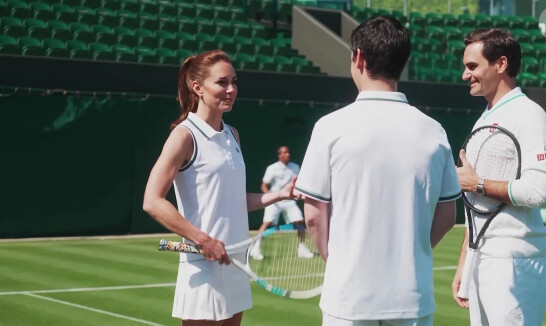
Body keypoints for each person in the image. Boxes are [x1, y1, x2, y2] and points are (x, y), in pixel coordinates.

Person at [294, 16, 461, 326]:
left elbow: (314, 215)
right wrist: (411, 251)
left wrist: (339, 261)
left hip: (349, 299)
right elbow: (448, 215)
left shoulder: (329, 127)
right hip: (413, 297)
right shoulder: (434, 131)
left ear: (358, 57)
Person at [142, 50, 298, 326]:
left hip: (235, 261)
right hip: (204, 268)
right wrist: (203, 240)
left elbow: (234, 200)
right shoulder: (183, 136)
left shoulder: (232, 134)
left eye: (234, 82)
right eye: (222, 83)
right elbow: (152, 201)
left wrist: (279, 195)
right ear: (198, 88)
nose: (231, 90)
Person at [452, 29, 546, 325]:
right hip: (483, 255)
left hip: (515, 257)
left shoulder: (530, 115)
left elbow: (540, 190)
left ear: (500, 64)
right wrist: (466, 261)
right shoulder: (485, 115)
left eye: (472, 66)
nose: (464, 75)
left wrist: (478, 184)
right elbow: (476, 206)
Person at [250, 146, 314, 260]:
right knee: (267, 223)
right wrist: (270, 196)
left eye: (288, 152)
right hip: (274, 199)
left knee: (300, 222)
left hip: (289, 200)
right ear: (279, 155)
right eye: (284, 152)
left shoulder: (295, 167)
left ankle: (302, 248)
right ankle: (255, 248)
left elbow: (298, 183)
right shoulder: (272, 168)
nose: (287, 154)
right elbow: (263, 185)